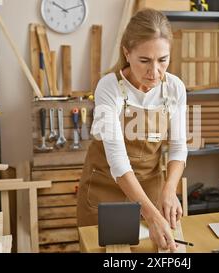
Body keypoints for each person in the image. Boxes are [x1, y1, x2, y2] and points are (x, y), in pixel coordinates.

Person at [77, 8, 188, 252]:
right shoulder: (109, 87)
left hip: (151, 187)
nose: (155, 72)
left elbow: (179, 147)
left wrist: (169, 191)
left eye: (163, 60)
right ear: (127, 53)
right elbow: (118, 161)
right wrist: (151, 215)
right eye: (145, 61)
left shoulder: (174, 88)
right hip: (104, 191)